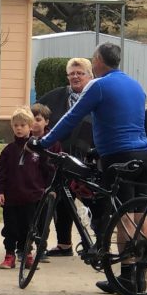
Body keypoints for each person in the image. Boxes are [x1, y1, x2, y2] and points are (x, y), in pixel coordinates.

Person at [29, 43, 147, 294]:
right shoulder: (135, 85)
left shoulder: (99, 85)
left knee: (122, 214)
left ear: (97, 60)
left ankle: (127, 276)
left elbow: (72, 116)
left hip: (118, 154)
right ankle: (141, 274)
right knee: (139, 213)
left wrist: (44, 143)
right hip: (143, 152)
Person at [36, 58, 94, 257]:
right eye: (72, 73)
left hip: (88, 159)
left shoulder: (95, 93)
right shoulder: (55, 97)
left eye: (80, 73)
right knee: (59, 201)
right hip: (59, 158)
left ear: (90, 75)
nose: (76, 77)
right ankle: (64, 244)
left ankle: (95, 246)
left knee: (93, 203)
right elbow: (34, 114)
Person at [0, 107, 57, 270]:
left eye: (23, 125)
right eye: (16, 125)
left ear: (30, 127)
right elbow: (1, 173)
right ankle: (9, 255)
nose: (19, 128)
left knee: (29, 228)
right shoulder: (8, 151)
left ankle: (27, 254)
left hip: (32, 197)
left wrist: (47, 189)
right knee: (10, 228)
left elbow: (47, 171)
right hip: (11, 198)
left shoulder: (38, 149)